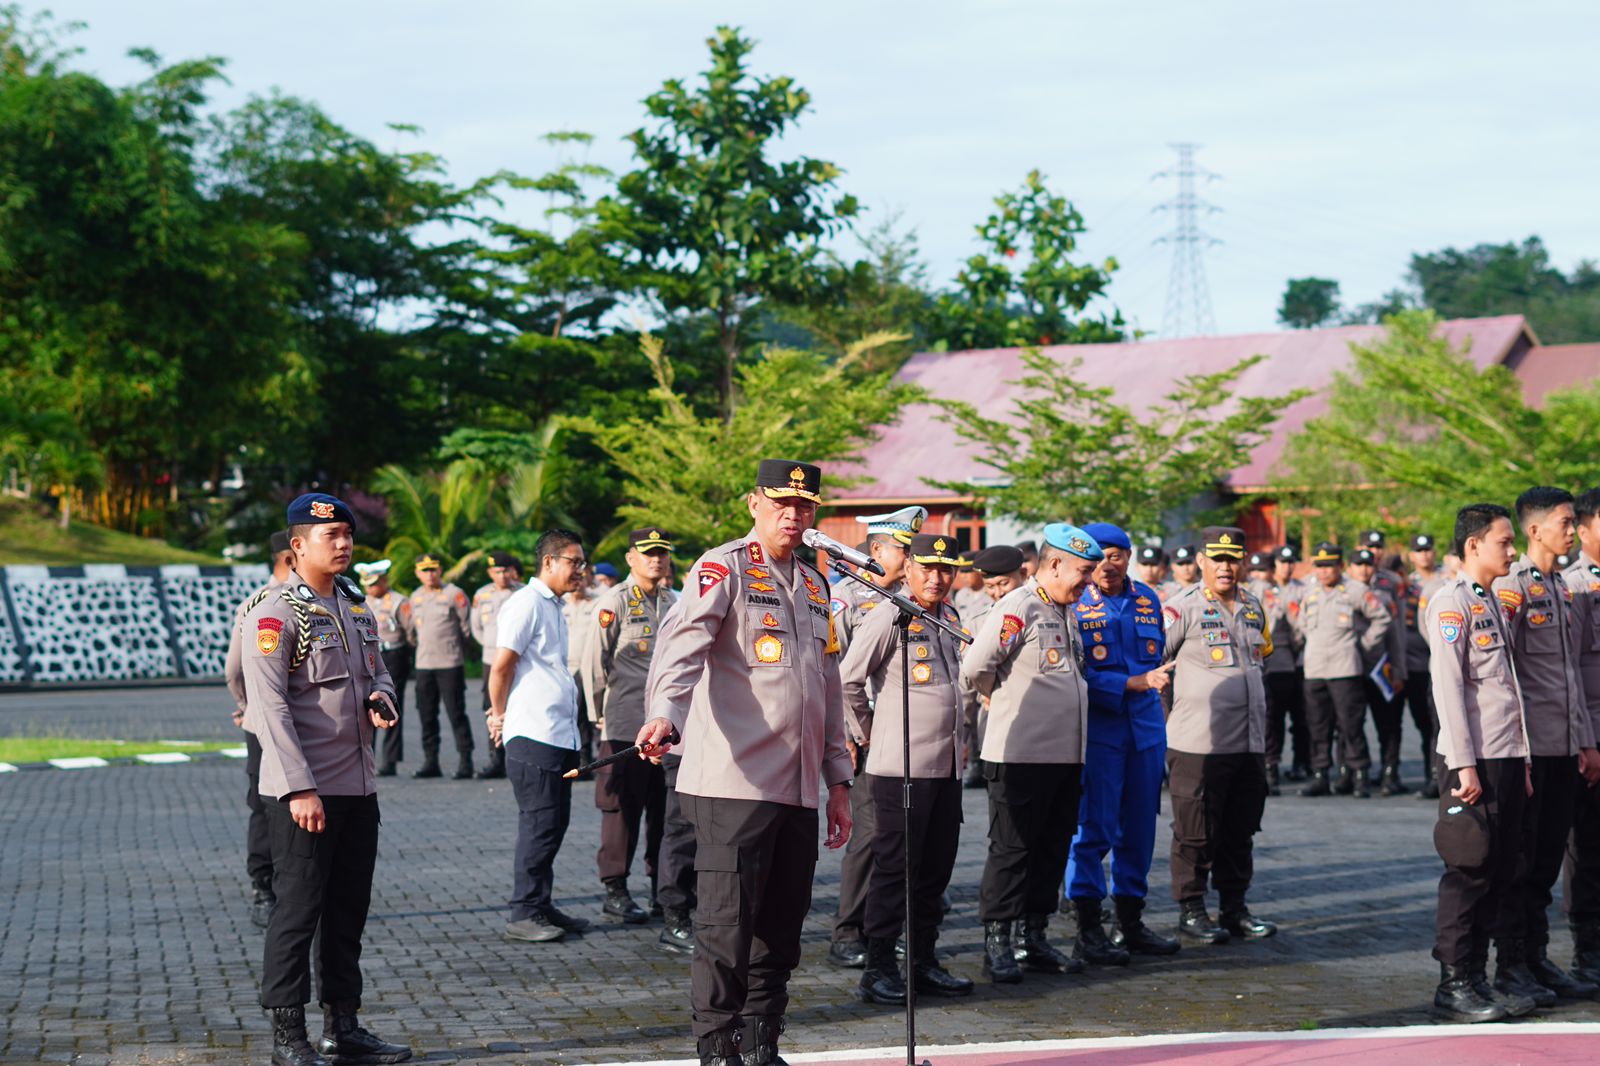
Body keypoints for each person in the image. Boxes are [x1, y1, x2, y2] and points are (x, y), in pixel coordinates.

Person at [634, 459, 853, 1066]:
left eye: (805, 506)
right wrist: (663, 716)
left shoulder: (816, 585)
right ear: (753, 503)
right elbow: (682, 648)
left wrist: (838, 780)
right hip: (734, 782)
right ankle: (717, 1047)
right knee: (727, 928)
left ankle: (761, 1043)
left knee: (781, 929)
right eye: (782, 503)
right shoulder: (722, 567)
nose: (794, 515)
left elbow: (828, 688)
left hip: (798, 786)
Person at [241, 493, 409, 1066]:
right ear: (297, 545)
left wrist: (382, 696)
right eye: (329, 535)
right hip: (303, 794)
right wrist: (299, 787)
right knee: (297, 913)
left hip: (359, 789)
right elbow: (269, 709)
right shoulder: (275, 614)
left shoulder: (358, 608)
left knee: (347, 913)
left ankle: (345, 1027)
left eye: (346, 534)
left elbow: (379, 671)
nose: (342, 544)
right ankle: (289, 1036)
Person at [960, 523, 1102, 984]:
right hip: (1018, 754)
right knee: (1012, 850)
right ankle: (998, 941)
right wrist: (996, 697)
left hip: (1065, 756)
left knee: (1051, 848)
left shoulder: (1067, 610)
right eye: (1083, 572)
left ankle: (1033, 936)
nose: (1088, 582)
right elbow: (976, 667)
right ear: (1054, 564)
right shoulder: (1018, 606)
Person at [842, 533, 975, 1003]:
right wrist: (869, 732)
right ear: (909, 569)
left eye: (945, 570)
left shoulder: (949, 618)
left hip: (944, 769)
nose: (936, 578)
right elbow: (849, 680)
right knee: (895, 870)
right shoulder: (890, 615)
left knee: (935, 870)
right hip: (900, 767)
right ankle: (878, 966)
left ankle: (923, 960)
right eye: (927, 568)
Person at [1490, 487, 1600, 1004]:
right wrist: (1521, 750)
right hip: (1529, 748)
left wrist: (1583, 740)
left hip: (1564, 746)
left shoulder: (1561, 588)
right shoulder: (1512, 587)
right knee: (1521, 860)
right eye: (1563, 522)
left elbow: (1570, 677)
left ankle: (1534, 958)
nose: (1571, 529)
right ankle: (1511, 964)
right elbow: (1502, 675)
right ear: (1534, 530)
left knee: (1549, 859)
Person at [1425, 502, 1534, 1023]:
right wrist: (1464, 765)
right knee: (1468, 870)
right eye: (1504, 541)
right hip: (1474, 762)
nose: (1512, 551)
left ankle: (1479, 978)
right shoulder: (1451, 604)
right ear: (1474, 545)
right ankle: (1453, 983)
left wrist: (1525, 758)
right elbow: (1448, 689)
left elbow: (1506, 689)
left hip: (1506, 755)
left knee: (1499, 870)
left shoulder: (1490, 600)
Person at [1065, 522, 1181, 966]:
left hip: (1146, 731)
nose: (1108, 565)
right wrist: (1130, 682)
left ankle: (1130, 923)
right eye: (1100, 557)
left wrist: (1146, 686)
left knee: (1139, 829)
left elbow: (1158, 662)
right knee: (1092, 828)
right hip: (1101, 731)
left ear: (1129, 557)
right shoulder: (1076, 604)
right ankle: (1088, 928)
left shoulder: (1148, 599)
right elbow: (1075, 673)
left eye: (1117, 555)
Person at [1162, 526, 1278, 945]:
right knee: (1195, 831)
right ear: (1201, 562)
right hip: (1197, 743)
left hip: (1247, 741)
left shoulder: (1252, 605)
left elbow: (1262, 656)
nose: (1226, 567)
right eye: (1217, 559)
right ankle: (1191, 908)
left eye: (1233, 559)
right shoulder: (1181, 608)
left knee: (1240, 829)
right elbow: (1154, 668)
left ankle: (1235, 908)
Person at [826, 504, 925, 970]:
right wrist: (850, 733)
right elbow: (834, 674)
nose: (909, 560)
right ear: (877, 549)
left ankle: (888, 928)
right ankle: (849, 931)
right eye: (903, 550)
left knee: (902, 837)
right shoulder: (845, 599)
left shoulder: (911, 601)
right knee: (868, 836)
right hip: (859, 738)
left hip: (905, 740)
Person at [488, 529, 594, 944]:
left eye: (582, 563)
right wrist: (499, 716)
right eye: (573, 562)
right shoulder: (526, 604)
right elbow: (501, 667)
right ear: (548, 562)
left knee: (554, 823)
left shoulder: (553, 606)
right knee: (539, 824)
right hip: (533, 734)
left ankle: (541, 904)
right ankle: (523, 911)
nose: (580, 571)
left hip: (557, 734)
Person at [582, 528, 680, 925]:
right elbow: (593, 664)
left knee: (665, 810)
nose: (656, 560)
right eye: (648, 553)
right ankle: (615, 888)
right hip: (623, 724)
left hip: (666, 730)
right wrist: (597, 717)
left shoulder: (675, 602)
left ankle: (663, 888)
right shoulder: (614, 602)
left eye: (662, 553)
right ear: (630, 558)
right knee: (621, 808)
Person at [224, 529, 294, 929]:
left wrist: (248, 707)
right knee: (270, 803)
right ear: (290, 557)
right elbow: (235, 670)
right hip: (297, 724)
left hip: (261, 722)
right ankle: (271, 884)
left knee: (264, 802)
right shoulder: (265, 604)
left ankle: (265, 889)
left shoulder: (252, 603)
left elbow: (233, 672)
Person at [1294, 542, 1390, 798]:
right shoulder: (1308, 592)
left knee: (1351, 726)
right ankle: (1320, 775)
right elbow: (1301, 623)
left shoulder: (1355, 590)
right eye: (1319, 566)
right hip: (1314, 668)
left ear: (1340, 566)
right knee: (1317, 726)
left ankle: (1360, 775)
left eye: (1329, 566)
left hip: (1345, 667)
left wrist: (1364, 645)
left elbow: (1382, 618)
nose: (1324, 571)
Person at [1561, 488, 1600, 986]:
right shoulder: (1574, 586)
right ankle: (1588, 951)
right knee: (1589, 846)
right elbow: (1566, 671)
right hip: (1593, 735)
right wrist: (1584, 741)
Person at [961, 545, 1027, 789]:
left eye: (1004, 583)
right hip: (994, 719)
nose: (998, 593)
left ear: (1023, 574)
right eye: (990, 586)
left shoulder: (1045, 613)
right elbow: (967, 680)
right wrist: (963, 734)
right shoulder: (978, 622)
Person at [1347, 548, 1411, 795]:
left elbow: (1395, 635)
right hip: (1351, 668)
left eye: (1368, 565)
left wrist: (1398, 670)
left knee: (1389, 724)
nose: (1363, 569)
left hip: (1380, 665)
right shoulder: (1341, 592)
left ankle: (1389, 773)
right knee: (1350, 725)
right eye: (1358, 565)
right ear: (1349, 568)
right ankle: (1352, 774)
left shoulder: (1385, 594)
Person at [408, 554, 474, 779]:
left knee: (456, 714)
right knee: (426, 715)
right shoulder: (415, 597)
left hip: (449, 663)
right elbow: (411, 633)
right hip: (424, 664)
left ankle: (466, 761)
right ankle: (431, 761)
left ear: (440, 570)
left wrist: (458, 652)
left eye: (433, 569)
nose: (429, 574)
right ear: (417, 573)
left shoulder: (453, 594)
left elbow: (466, 628)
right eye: (424, 570)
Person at [1250, 548, 1306, 789]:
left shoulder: (1299, 589)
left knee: (1300, 719)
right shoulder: (1254, 591)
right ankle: (1271, 765)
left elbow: (1298, 630)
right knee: (1270, 719)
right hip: (1268, 666)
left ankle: (1302, 762)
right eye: (1256, 570)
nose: (1259, 575)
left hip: (1290, 663)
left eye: (1264, 570)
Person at [356, 560, 412, 777]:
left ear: (384, 580)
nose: (370, 588)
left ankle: (390, 761)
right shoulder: (359, 601)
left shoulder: (399, 601)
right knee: (365, 707)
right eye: (367, 584)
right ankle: (365, 757)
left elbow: (410, 632)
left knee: (391, 707)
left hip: (393, 654)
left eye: (374, 584)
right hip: (368, 655)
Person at [471, 552, 523, 781]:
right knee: (492, 709)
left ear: (512, 571)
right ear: (490, 573)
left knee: (518, 707)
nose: (502, 575)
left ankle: (517, 758)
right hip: (491, 659)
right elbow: (476, 628)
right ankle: (496, 758)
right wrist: (493, 648)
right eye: (497, 571)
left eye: (505, 570)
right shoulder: (481, 595)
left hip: (517, 661)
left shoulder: (523, 593)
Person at [1406, 534, 1445, 799]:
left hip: (1436, 661)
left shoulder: (1446, 579)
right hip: (1412, 663)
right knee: (1423, 724)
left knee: (1437, 725)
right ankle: (1428, 772)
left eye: (1428, 549)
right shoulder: (1405, 584)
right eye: (1418, 550)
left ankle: (1437, 777)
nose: (1424, 555)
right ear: (1412, 555)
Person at [951, 551, 990, 620]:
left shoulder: (992, 593)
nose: (964, 576)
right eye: (962, 571)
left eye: (967, 571)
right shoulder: (961, 595)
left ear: (979, 571)